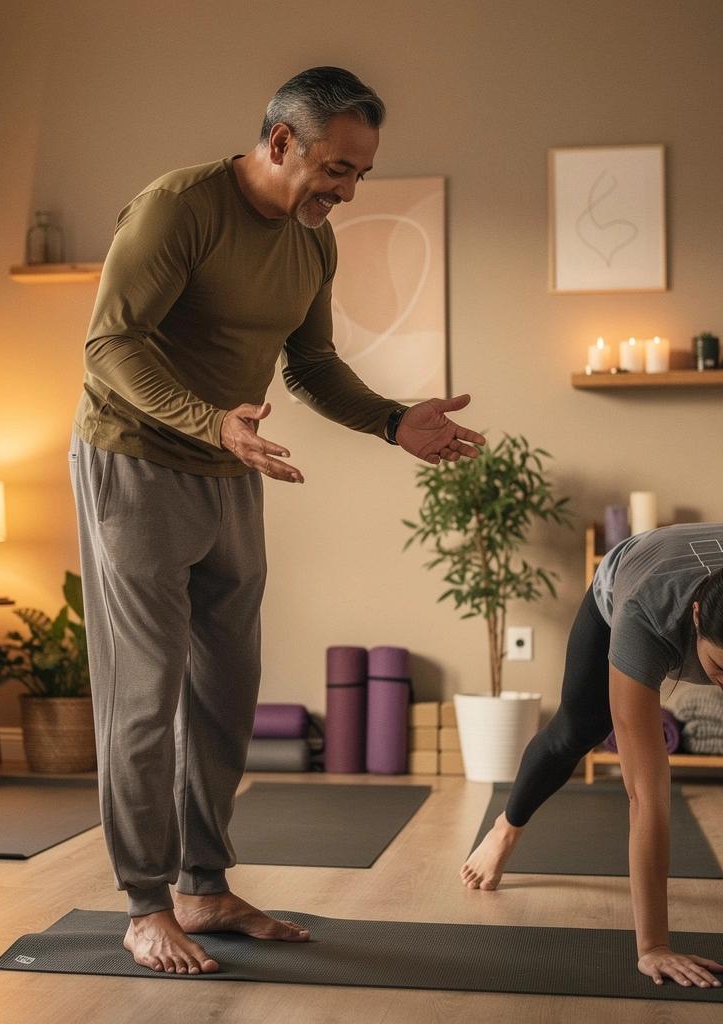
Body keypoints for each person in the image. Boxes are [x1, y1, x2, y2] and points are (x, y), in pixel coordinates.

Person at [69, 65, 485, 976]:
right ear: (282, 140)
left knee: (225, 692)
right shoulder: (179, 207)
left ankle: (204, 886)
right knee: (145, 695)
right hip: (135, 463)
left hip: (231, 467)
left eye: (360, 175)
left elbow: (311, 365)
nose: (345, 190)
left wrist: (389, 419)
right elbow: (109, 346)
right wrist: (206, 420)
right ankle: (144, 905)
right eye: (336, 168)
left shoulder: (312, 244)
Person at [463, 522, 723, 989]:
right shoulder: (648, 615)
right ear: (699, 617)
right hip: (633, 571)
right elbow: (646, 796)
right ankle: (506, 827)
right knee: (578, 729)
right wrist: (654, 947)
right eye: (721, 668)